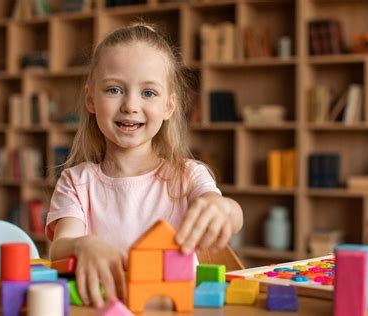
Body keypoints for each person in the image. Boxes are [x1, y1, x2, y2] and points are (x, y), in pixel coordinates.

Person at [45, 23, 243, 308]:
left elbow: (232, 216)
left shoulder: (188, 176)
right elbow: (60, 247)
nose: (130, 105)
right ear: (90, 98)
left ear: (169, 106)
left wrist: (223, 208)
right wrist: (81, 245)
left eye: (148, 93)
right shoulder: (76, 182)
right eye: (114, 89)